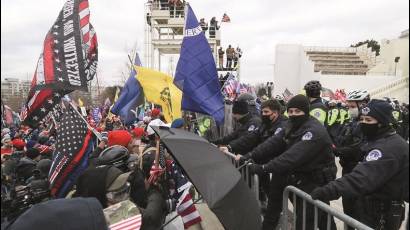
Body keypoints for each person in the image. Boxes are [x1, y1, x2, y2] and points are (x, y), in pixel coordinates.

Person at [236, 94, 337, 230]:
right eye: (290, 111)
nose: (293, 114)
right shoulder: (291, 124)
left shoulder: (314, 131)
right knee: (274, 210)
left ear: (305, 112)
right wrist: (249, 155)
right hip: (293, 175)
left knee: (314, 220)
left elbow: (293, 156)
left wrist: (264, 168)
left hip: (313, 180)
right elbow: (272, 143)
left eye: (297, 111)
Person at [311, 99, 409, 230]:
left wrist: (328, 190)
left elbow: (361, 177)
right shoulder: (379, 140)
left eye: (369, 120)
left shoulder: (387, 147)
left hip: (382, 213)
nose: (363, 123)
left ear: (382, 123)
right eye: (362, 119)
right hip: (372, 208)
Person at [333, 89, 370, 228]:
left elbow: (359, 148)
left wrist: (337, 150)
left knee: (359, 214)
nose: (350, 110)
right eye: (348, 107)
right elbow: (340, 139)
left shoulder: (368, 125)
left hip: (360, 172)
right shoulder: (350, 122)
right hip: (347, 170)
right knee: (348, 211)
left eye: (353, 107)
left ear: (364, 105)